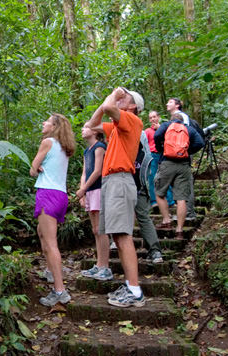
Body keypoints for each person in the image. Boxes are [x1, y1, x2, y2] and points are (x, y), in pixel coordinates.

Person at [89, 87, 145, 308]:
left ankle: (135, 290)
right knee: (117, 236)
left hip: (120, 179)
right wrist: (107, 103)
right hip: (112, 181)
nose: (121, 99)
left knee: (122, 235)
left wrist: (114, 93)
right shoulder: (118, 128)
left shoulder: (132, 120)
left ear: (133, 107)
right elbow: (91, 125)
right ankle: (131, 286)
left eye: (126, 98)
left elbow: (110, 107)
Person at [30, 113, 76, 306]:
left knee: (50, 244)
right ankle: (50, 271)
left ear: (54, 126)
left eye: (47, 121)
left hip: (47, 193)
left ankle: (60, 290)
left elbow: (33, 168)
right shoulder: (64, 147)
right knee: (42, 233)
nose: (43, 122)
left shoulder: (47, 142)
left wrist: (36, 168)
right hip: (61, 196)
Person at [153, 113, 204, 239]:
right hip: (183, 165)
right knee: (181, 198)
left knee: (159, 193)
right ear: (183, 121)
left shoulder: (166, 125)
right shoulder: (189, 129)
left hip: (167, 162)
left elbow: (157, 135)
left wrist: (162, 148)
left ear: (172, 120)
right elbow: (200, 142)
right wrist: (186, 151)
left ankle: (166, 221)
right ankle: (179, 231)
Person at [75, 122, 111, 280]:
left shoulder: (99, 147)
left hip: (99, 189)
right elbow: (84, 172)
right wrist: (82, 191)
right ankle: (99, 264)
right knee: (95, 229)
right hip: (89, 191)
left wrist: (84, 188)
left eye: (86, 127)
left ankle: (105, 266)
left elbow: (97, 171)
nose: (82, 130)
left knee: (101, 229)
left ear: (95, 131)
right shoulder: (86, 150)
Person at [165, 98, 199, 220]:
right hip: (179, 153)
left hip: (181, 154)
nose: (167, 104)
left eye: (170, 102)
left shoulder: (182, 117)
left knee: (184, 183)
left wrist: (186, 151)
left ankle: (189, 212)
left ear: (177, 105)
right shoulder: (178, 117)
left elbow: (186, 135)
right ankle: (186, 212)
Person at [135, 131, 163, 264]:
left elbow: (147, 167)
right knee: (141, 217)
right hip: (127, 185)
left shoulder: (143, 153)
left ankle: (154, 249)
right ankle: (153, 250)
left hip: (139, 186)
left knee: (143, 217)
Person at [145, 111, 174, 209]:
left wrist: (160, 129)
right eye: (151, 118)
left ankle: (170, 200)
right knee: (152, 177)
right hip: (152, 156)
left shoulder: (165, 128)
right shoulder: (147, 131)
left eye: (154, 117)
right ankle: (154, 201)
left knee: (166, 177)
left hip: (163, 154)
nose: (153, 119)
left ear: (158, 117)